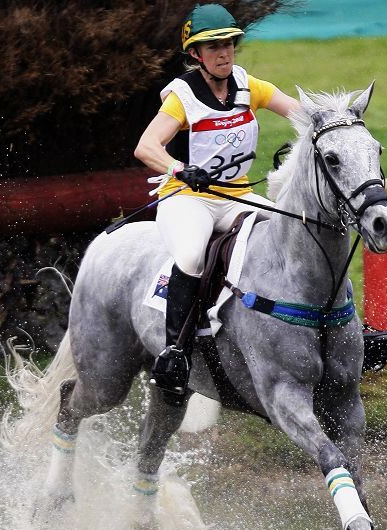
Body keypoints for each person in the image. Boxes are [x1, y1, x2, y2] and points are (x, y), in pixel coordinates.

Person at [134, 3, 300, 401]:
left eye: (228, 44)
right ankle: (175, 353)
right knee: (192, 256)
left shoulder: (248, 85)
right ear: (196, 54)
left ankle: (335, 326)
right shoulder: (182, 97)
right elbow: (146, 146)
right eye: (213, 47)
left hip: (236, 196)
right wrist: (179, 169)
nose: (224, 54)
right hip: (188, 199)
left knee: (296, 232)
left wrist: (331, 125)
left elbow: (301, 113)